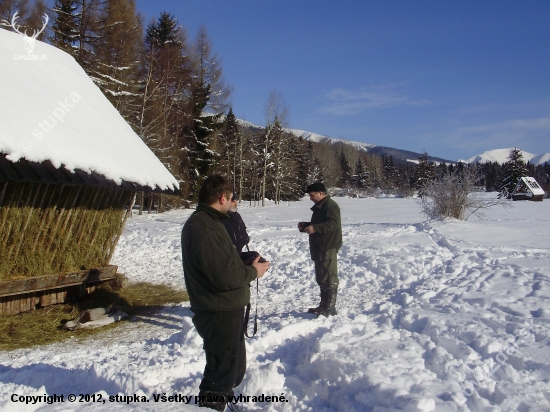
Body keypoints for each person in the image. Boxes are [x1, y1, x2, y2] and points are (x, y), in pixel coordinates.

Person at [181, 175, 270, 411]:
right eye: (231, 199)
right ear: (222, 198)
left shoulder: (209, 223)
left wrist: (243, 261)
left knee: (233, 370)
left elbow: (220, 263)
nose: (232, 203)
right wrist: (252, 272)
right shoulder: (204, 227)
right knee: (220, 375)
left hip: (225, 306)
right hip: (217, 309)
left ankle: (221, 402)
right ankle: (211, 406)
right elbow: (224, 276)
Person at [298, 182, 342, 317]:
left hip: (327, 246)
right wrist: (307, 225)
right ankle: (323, 305)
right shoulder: (321, 206)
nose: (310, 198)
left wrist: (315, 228)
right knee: (322, 277)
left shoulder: (330, 206)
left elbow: (333, 224)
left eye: (312, 195)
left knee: (329, 277)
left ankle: (330, 307)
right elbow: (322, 223)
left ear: (321, 193)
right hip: (320, 247)